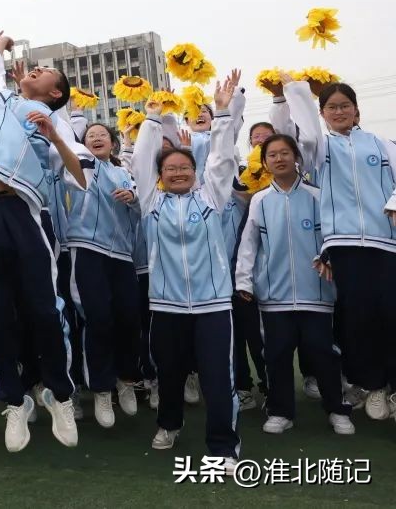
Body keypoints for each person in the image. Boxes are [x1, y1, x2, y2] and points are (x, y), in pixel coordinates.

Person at [0, 31, 85, 454]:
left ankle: (60, 396)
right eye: (37, 67)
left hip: (20, 212)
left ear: (55, 93)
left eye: (47, 71)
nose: (37, 69)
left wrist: (55, 137)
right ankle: (15, 401)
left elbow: (81, 176)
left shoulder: (52, 119)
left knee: (44, 310)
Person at [133, 72, 241, 471]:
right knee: (170, 373)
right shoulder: (151, 203)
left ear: (195, 172)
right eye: (170, 169)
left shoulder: (211, 197)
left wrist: (223, 114)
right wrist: (151, 119)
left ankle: (223, 446)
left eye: (184, 167)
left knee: (217, 377)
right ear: (160, 176)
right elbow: (141, 162)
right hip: (166, 306)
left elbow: (222, 160)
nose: (177, 172)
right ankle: (169, 424)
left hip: (213, 307)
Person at [234, 97, 354, 436]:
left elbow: (332, 236)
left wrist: (329, 260)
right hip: (275, 297)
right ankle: (281, 411)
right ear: (264, 162)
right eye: (272, 155)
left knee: (323, 353)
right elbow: (249, 245)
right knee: (277, 355)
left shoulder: (317, 195)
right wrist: (244, 282)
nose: (279, 158)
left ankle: (337, 409)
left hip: (317, 294)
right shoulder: (259, 200)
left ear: (296, 157)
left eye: (285, 152)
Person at [287, 80, 396, 420]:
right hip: (343, 244)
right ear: (322, 114)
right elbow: (305, 134)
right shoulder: (320, 149)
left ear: (356, 109)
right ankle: (373, 386)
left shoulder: (382, 144)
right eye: (331, 107)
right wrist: (295, 90)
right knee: (358, 318)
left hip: (386, 242)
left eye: (344, 105)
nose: (339, 112)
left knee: (391, 313)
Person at [66, 123, 142, 428]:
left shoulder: (125, 173)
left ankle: (126, 379)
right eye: (90, 135)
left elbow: (143, 208)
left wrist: (133, 197)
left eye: (102, 135)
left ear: (113, 144)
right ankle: (101, 388)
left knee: (130, 318)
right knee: (98, 318)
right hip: (87, 248)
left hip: (122, 254)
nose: (96, 138)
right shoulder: (80, 165)